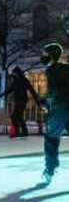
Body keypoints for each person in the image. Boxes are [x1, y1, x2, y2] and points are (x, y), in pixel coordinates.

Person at [38, 43, 69, 187]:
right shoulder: (66, 68)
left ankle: (50, 168)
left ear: (50, 55)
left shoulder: (51, 70)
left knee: (51, 138)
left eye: (45, 54)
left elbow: (53, 90)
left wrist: (45, 101)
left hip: (60, 106)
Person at [1, 66, 40, 138]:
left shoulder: (23, 80)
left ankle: (19, 131)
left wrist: (37, 100)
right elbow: (10, 89)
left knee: (15, 116)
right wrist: (3, 94)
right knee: (18, 116)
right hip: (20, 100)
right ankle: (23, 131)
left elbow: (31, 90)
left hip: (22, 100)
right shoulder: (17, 80)